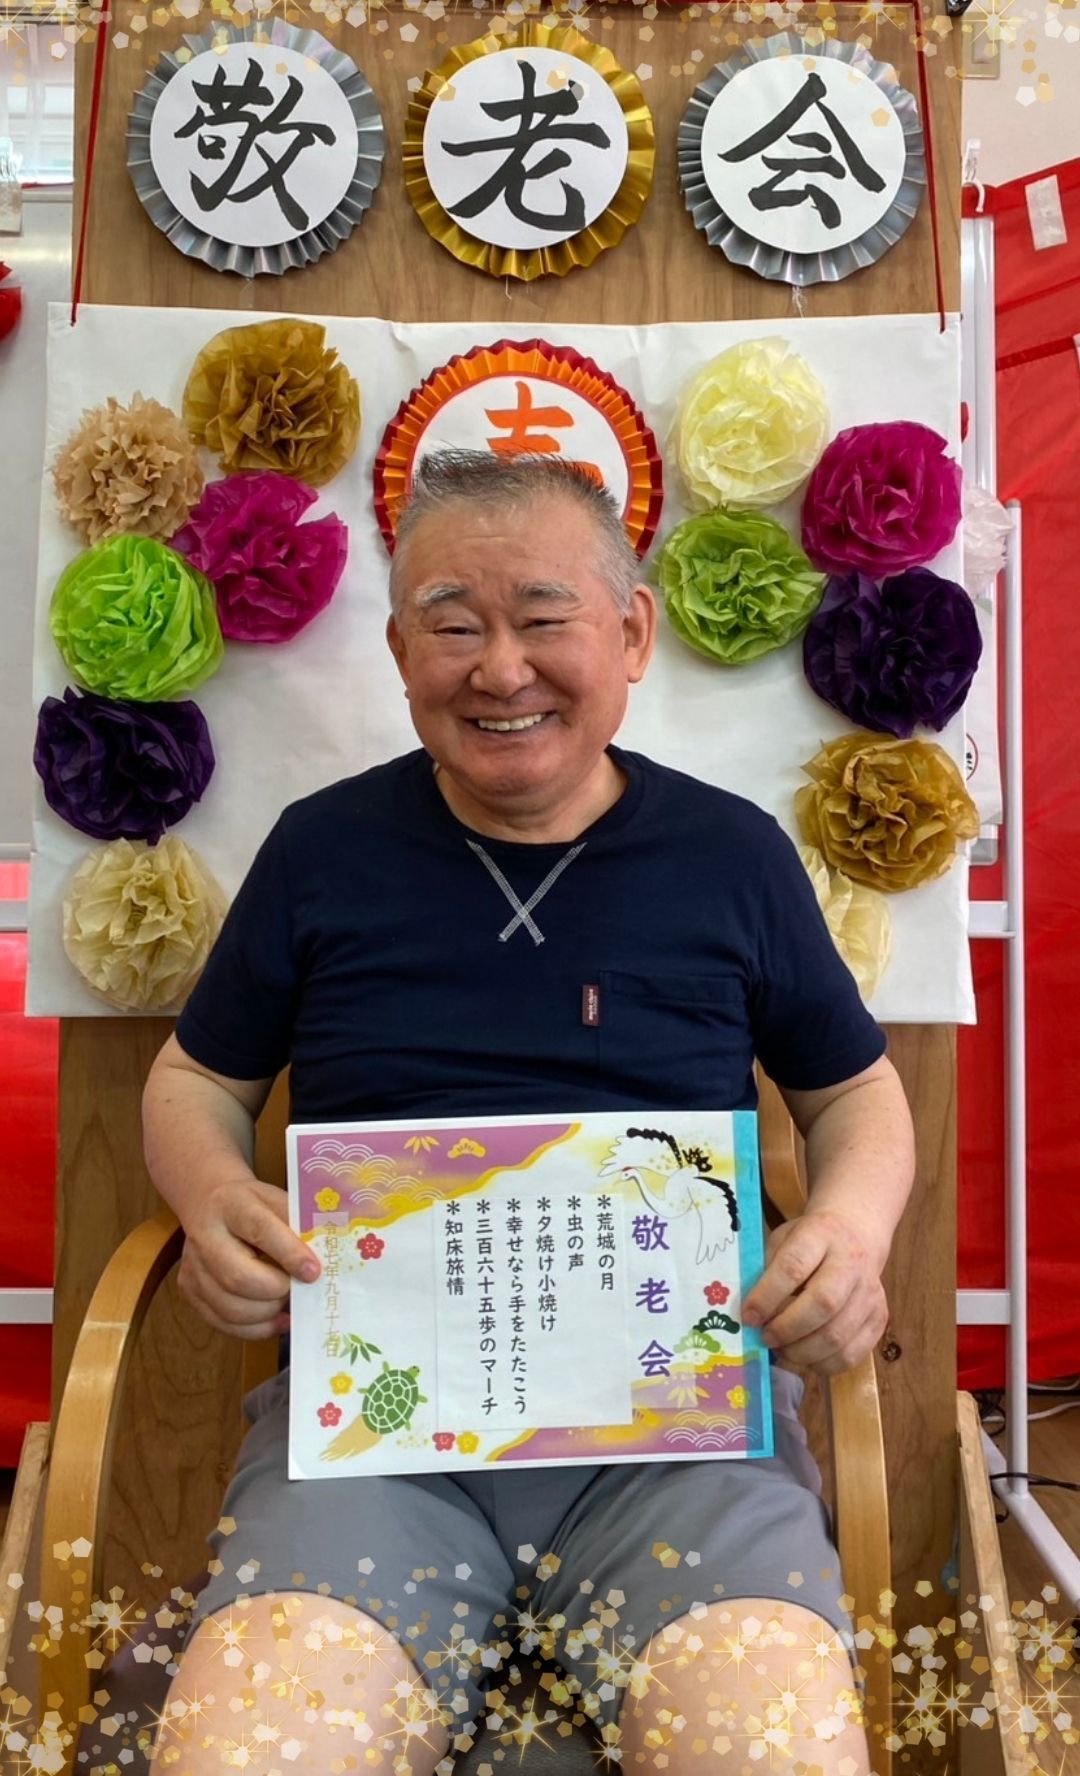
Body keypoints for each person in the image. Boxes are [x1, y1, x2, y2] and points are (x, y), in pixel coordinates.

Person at [143, 449, 915, 1776]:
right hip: (376, 1447)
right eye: (454, 627)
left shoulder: (732, 856)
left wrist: (849, 1234)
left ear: (632, 633)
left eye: (544, 619)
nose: (501, 671)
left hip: (682, 1445)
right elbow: (195, 1081)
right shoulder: (321, 851)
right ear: (401, 652)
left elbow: (854, 1093)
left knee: (769, 1746)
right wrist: (215, 1200)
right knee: (252, 1749)